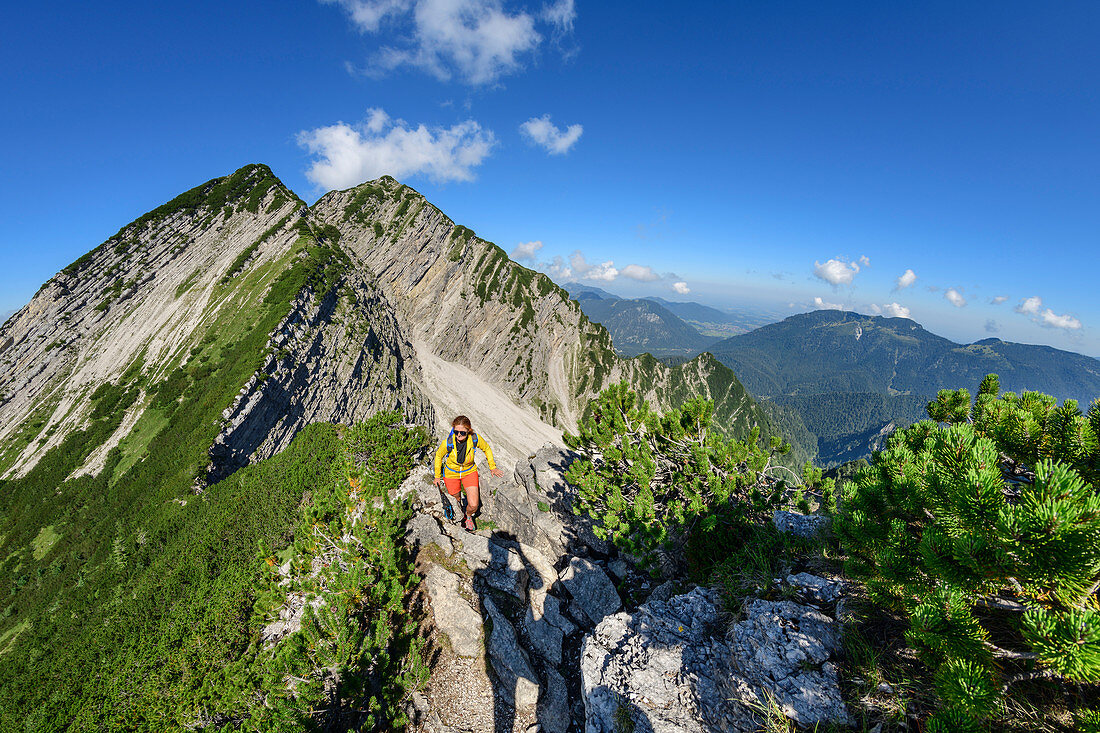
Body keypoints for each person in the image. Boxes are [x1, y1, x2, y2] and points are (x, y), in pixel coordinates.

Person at [433, 415, 503, 531]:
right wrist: (437, 476)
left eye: (462, 432)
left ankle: (468, 516)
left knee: (474, 504)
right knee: (456, 499)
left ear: (468, 430)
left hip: (469, 472)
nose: (459, 435)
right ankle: (460, 512)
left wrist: (493, 467)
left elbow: (486, 448)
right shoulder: (448, 442)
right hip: (451, 474)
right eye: (456, 432)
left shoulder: (475, 439)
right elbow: (439, 456)